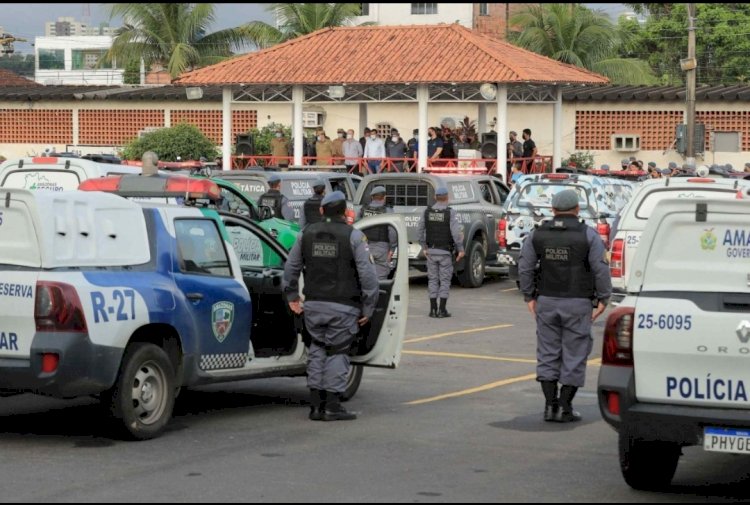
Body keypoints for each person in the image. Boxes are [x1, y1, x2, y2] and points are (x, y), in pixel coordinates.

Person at [282, 190, 379, 422]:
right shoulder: (354, 236)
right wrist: (369, 305)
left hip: (313, 305)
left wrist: (292, 296)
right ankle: (333, 405)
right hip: (344, 306)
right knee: (337, 351)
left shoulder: (305, 234)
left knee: (317, 349)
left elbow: (290, 268)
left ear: (323, 210)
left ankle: (315, 405)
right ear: (345, 212)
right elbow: (368, 276)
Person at [518, 189, 612, 423]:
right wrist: (603, 298)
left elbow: (525, 266)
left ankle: (550, 407)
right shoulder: (588, 235)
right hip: (578, 302)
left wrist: (529, 296)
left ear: (552, 210)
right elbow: (600, 269)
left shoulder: (537, 234)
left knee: (548, 353)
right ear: (577, 210)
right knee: (575, 353)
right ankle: (565, 406)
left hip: (547, 301)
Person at [417, 186, 465, 318]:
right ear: (447, 197)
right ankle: (442, 310)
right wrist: (460, 249)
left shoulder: (426, 212)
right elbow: (456, 233)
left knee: (432, 279)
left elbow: (420, 231)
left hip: (431, 251)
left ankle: (433, 310)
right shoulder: (450, 213)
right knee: (444, 280)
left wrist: (424, 247)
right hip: (445, 252)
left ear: (435, 197)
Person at [359, 185, 397, 279]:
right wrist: (392, 249)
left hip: (365, 246)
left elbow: (356, 228)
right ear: (384, 197)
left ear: (372, 197)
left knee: (366, 277)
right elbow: (392, 232)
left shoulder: (363, 210)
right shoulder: (388, 210)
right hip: (382, 248)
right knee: (380, 278)